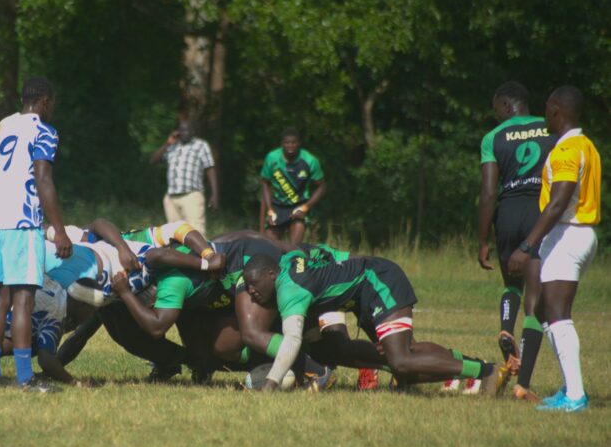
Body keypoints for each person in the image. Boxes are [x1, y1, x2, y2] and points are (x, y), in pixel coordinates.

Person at [242, 252, 502, 393]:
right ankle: (480, 367)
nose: (251, 292)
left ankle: (486, 372)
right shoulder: (289, 259)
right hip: (366, 287)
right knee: (400, 360)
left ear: (271, 274)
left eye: (254, 284)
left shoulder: (289, 290)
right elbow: (329, 254)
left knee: (402, 360)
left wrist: (271, 383)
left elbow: (292, 340)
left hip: (378, 280)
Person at [0, 76, 72, 389]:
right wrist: (60, 230)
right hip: (23, 223)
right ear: (45, 101)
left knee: (1, 298)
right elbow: (43, 179)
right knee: (24, 300)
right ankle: (25, 379)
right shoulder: (44, 131)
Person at [508, 85, 601, 413]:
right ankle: (569, 388)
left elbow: (558, 201)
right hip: (577, 233)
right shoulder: (586, 145)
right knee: (546, 312)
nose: (545, 114)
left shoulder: (566, 150)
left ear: (556, 110)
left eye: (547, 108)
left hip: (568, 234)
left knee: (558, 315)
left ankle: (575, 395)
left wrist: (526, 245)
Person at [473, 81, 556, 401]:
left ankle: (506, 326)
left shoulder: (493, 137)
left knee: (512, 283)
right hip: (539, 212)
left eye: (497, 110)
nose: (496, 116)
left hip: (508, 213)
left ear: (507, 106)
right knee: (536, 300)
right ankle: (524, 382)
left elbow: (488, 192)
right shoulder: (550, 128)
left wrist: (482, 239)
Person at [149, 120, 219, 234]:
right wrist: (167, 143)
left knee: (196, 233)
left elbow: (210, 168)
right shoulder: (173, 146)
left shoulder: (201, 145)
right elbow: (153, 160)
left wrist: (214, 194)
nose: (184, 132)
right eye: (181, 130)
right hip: (171, 198)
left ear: (193, 131)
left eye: (187, 130)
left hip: (191, 196)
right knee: (174, 235)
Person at [260, 127, 326, 244]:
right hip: (277, 207)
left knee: (294, 248)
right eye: (287, 143)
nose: (290, 146)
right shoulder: (272, 158)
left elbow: (321, 186)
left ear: (299, 143)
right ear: (282, 144)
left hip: (298, 207)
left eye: (293, 143)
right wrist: (269, 210)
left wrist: (305, 207)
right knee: (270, 247)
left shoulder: (310, 160)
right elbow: (265, 183)